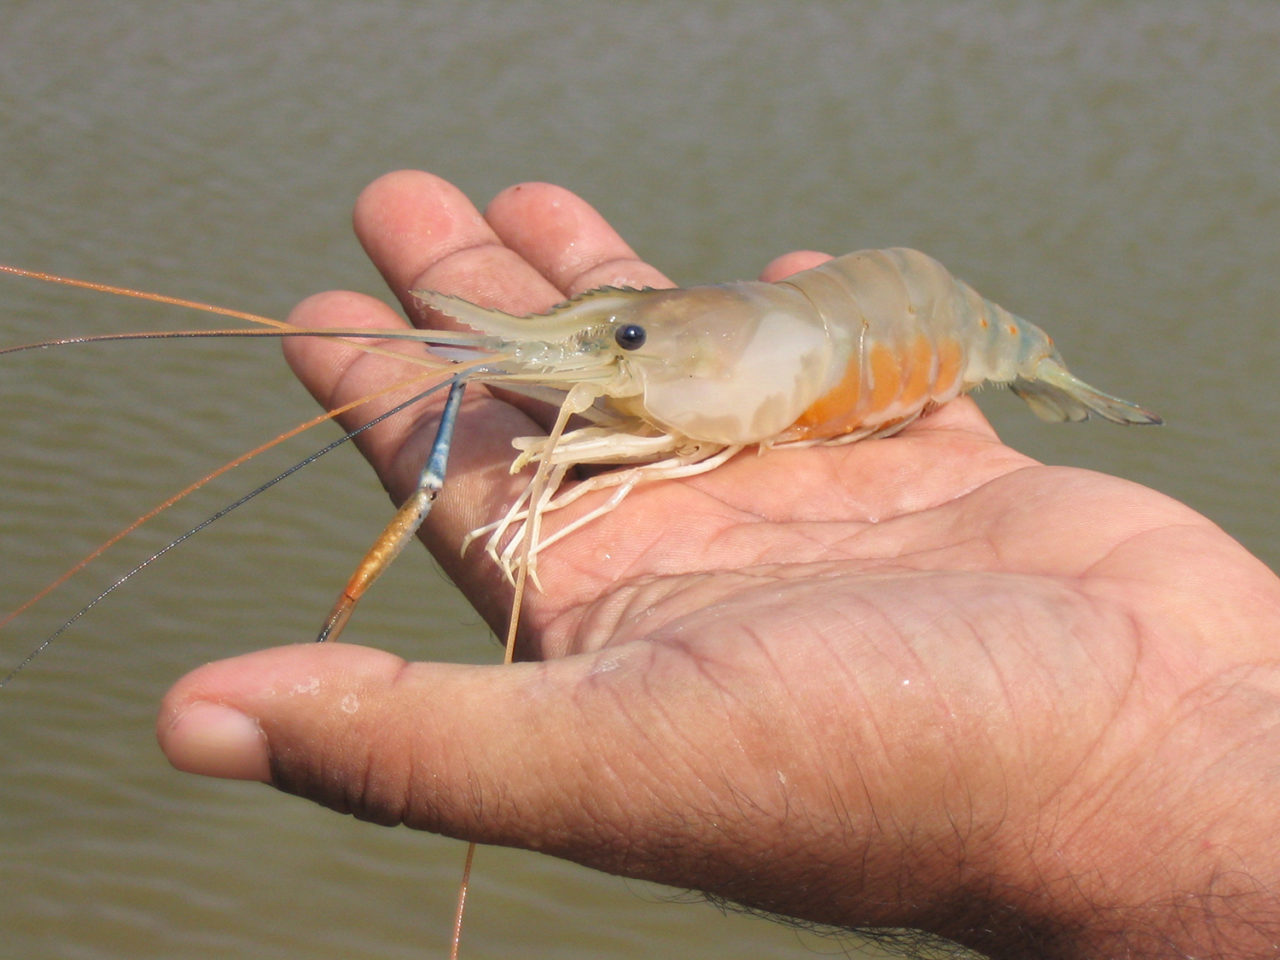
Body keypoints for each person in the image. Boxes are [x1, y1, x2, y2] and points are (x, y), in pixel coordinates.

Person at [157, 170, 1280, 959]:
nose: (602, 351)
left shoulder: (883, 349)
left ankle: (1041, 364)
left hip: (918, 329)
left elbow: (668, 423)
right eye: (611, 332)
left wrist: (1153, 773)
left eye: (624, 337)